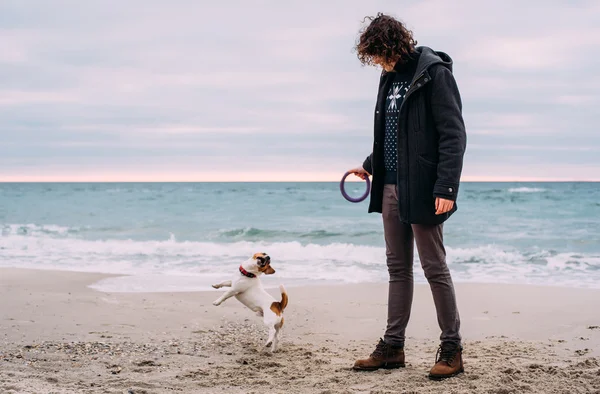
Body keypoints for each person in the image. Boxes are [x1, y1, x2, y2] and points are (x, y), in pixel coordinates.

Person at [347, 13, 467, 380]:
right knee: (397, 268)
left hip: (425, 188)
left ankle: (452, 349)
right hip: (390, 187)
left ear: (391, 44)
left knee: (434, 268)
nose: (377, 62)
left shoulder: (433, 72)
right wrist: (370, 164)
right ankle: (393, 347)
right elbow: (393, 131)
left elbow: (453, 134)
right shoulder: (388, 76)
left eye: (378, 54)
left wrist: (446, 187)